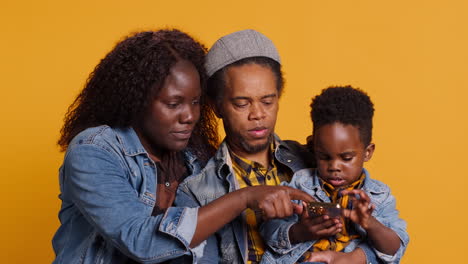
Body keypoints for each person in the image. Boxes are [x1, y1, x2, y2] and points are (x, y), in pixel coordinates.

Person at [52, 29, 313, 264]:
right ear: (137, 100)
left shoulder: (195, 161)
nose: (189, 116)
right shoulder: (94, 151)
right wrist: (244, 198)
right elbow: (141, 241)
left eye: (196, 102)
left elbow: (207, 252)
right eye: (174, 104)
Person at [176, 29, 354, 264]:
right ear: (217, 106)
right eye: (242, 103)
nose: (258, 114)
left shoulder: (317, 160)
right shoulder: (196, 192)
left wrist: (356, 256)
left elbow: (376, 233)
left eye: (268, 101)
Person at [260, 86, 409, 264]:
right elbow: (269, 232)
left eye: (346, 158)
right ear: (312, 146)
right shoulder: (300, 185)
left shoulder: (379, 196)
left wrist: (369, 223)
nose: (334, 167)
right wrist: (301, 231)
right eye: (324, 157)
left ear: (368, 152)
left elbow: (394, 249)